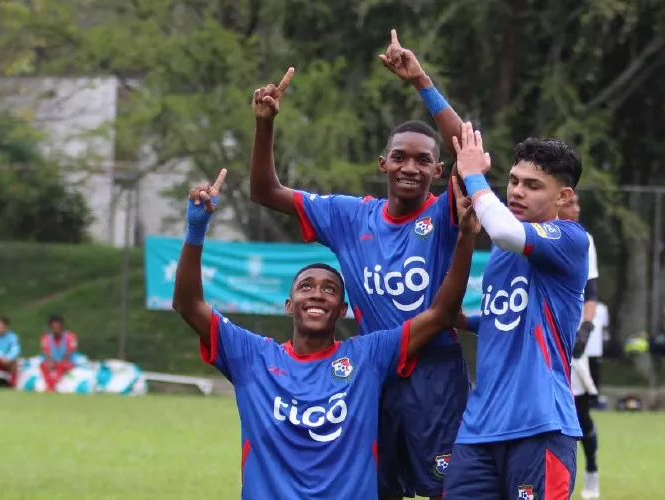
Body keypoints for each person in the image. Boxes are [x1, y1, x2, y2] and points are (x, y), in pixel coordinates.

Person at [172, 169, 480, 499]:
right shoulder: (253, 358)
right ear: (290, 305)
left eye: (330, 289)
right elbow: (188, 304)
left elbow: (439, 314)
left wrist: (465, 239)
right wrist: (195, 230)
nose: (318, 294)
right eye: (307, 287)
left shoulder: (368, 357)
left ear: (343, 309)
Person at [249, 63, 470, 500]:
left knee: (448, 490)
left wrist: (421, 83)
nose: (410, 167)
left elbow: (470, 150)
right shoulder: (349, 215)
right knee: (375, 488)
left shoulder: (445, 214)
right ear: (382, 163)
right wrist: (264, 125)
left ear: (439, 171)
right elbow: (264, 191)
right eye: (400, 157)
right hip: (374, 373)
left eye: (423, 160)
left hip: (436, 373)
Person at [444, 122, 588, 500]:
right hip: (480, 429)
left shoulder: (570, 240)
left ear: (563, 196)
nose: (517, 192)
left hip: (540, 426)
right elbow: (507, 321)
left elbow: (505, 231)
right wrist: (422, 83)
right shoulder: (501, 256)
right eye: (513, 181)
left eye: (533, 185)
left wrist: (475, 177)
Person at [560, 193, 601, 499]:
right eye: (570, 204)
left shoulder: (584, 240)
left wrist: (585, 328)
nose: (575, 210)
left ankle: (591, 471)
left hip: (571, 341)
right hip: (542, 340)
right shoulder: (533, 232)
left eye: (578, 206)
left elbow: (591, 293)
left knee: (580, 415)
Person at [40, 315, 78, 392]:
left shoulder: (71, 337)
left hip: (67, 362)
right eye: (54, 328)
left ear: (62, 327)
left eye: (58, 327)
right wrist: (51, 362)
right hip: (53, 362)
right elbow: (46, 354)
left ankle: (51, 386)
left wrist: (59, 363)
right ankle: (50, 384)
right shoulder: (46, 338)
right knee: (43, 365)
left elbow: (69, 353)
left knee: (62, 365)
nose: (56, 330)